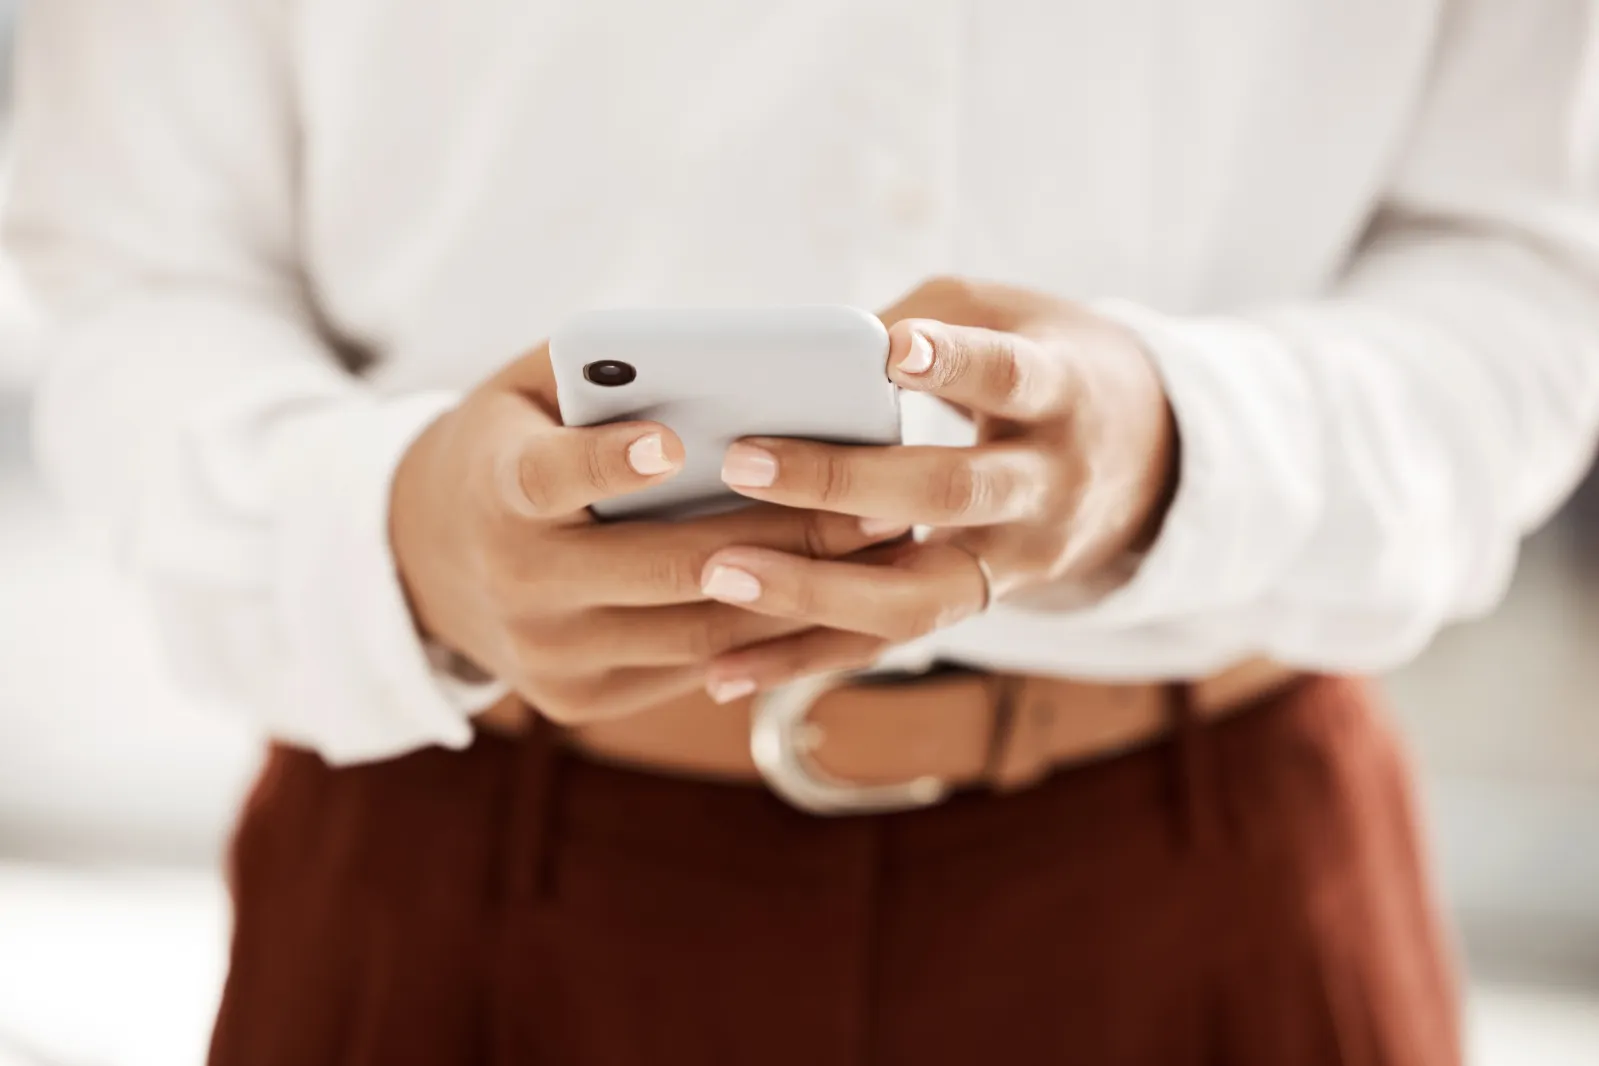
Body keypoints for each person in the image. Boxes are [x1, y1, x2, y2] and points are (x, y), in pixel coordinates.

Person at [9, 1, 1599, 1063]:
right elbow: (126, 271)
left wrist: (1175, 445)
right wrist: (404, 534)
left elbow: (1535, 271)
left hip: (1207, 889)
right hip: (459, 877)